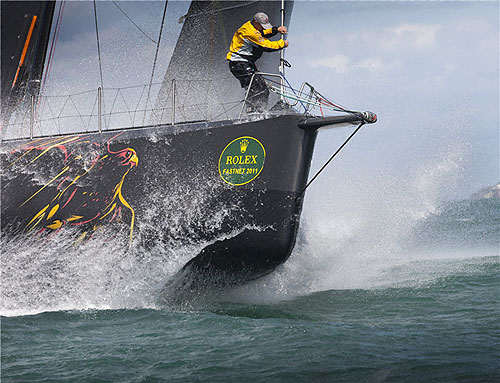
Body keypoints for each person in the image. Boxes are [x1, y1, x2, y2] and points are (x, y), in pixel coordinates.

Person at [227, 12, 288, 114]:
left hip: (246, 63)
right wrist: (283, 43)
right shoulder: (249, 32)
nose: (263, 28)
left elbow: (263, 33)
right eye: (262, 26)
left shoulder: (254, 28)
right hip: (239, 64)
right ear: (256, 23)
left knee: (263, 89)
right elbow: (266, 46)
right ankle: (252, 113)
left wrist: (276, 30)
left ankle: (260, 112)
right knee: (257, 88)